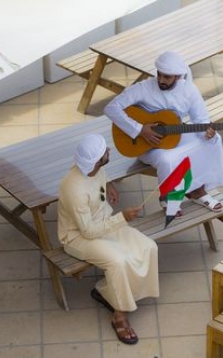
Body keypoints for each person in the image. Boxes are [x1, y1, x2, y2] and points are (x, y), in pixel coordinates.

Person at [57, 134, 159, 345]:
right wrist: (123, 217)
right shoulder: (74, 188)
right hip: (78, 237)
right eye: (106, 152)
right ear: (95, 161)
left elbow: (100, 176)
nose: (109, 152)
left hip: (104, 222)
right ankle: (119, 317)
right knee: (119, 261)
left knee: (149, 247)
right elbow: (88, 232)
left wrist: (110, 185)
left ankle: (106, 291)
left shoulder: (94, 168)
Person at [104, 51, 223, 214]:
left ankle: (197, 190)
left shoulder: (189, 90)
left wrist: (207, 133)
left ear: (177, 76)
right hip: (145, 146)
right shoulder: (144, 88)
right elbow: (110, 108)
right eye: (159, 75)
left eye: (167, 77)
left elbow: (201, 120)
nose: (161, 80)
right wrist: (140, 129)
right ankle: (168, 198)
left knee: (214, 140)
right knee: (167, 159)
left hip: (173, 136)